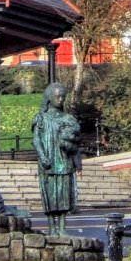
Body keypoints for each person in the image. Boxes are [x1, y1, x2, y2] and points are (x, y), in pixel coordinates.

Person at [32, 82, 80, 237]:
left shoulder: (69, 119)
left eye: (63, 97)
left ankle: (62, 227)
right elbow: (36, 140)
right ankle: (52, 227)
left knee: (63, 195)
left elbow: (76, 141)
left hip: (64, 162)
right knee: (49, 195)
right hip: (47, 163)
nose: (60, 99)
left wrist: (69, 145)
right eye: (57, 96)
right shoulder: (41, 118)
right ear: (49, 98)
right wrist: (42, 156)